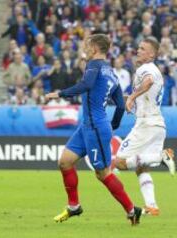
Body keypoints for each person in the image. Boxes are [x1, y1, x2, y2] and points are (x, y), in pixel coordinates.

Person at [45, 34, 142, 225]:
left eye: (87, 45)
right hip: (89, 126)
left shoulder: (94, 66)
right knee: (65, 162)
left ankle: (132, 209)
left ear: (96, 48)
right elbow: (120, 106)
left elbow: (86, 85)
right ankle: (74, 206)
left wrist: (59, 94)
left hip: (95, 127)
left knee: (103, 174)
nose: (85, 48)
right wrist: (112, 125)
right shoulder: (110, 72)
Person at [113, 37, 175, 216]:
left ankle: (161, 156)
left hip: (146, 124)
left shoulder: (145, 69)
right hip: (157, 125)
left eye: (142, 48)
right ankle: (152, 206)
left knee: (119, 162)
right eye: (138, 47)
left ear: (151, 54)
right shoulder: (154, 70)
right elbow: (146, 91)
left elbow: (147, 83)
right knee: (142, 167)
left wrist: (132, 97)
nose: (138, 50)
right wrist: (127, 98)